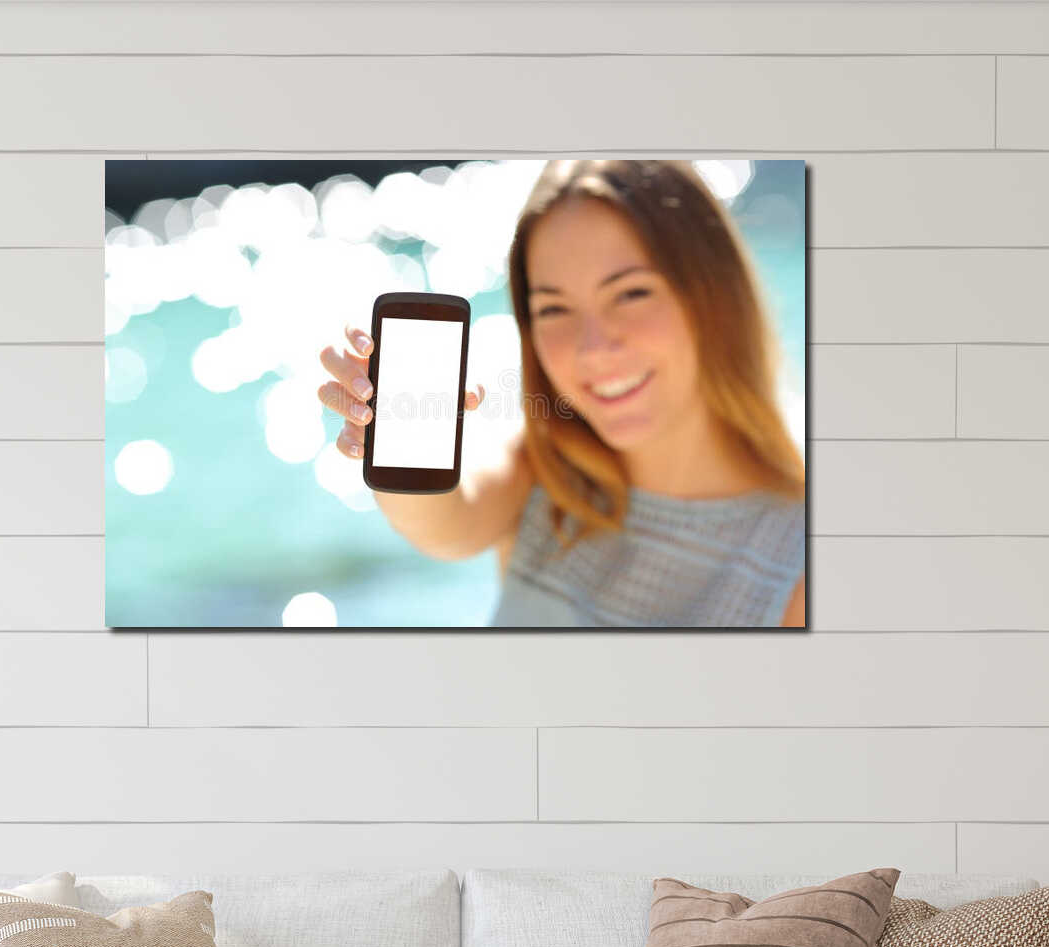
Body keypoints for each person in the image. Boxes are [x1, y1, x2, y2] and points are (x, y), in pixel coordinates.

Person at [318, 160, 806, 628]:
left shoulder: (801, 562)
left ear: (714, 296)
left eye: (631, 293)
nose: (593, 349)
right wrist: (386, 429)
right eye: (553, 309)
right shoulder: (541, 472)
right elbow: (441, 523)